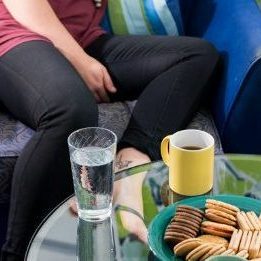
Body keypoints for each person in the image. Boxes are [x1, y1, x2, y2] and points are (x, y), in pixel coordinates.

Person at [0, 0, 219, 260]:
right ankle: (17, 254)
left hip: (81, 37)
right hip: (18, 32)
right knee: (71, 110)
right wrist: (80, 61)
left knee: (196, 55)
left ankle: (130, 159)